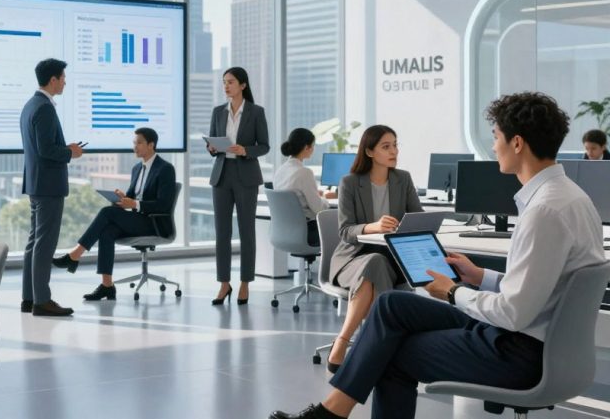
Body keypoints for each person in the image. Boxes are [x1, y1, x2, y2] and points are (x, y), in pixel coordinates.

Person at [271, 92, 606, 419]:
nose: (493, 146)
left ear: (517, 143)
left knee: (391, 352)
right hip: (532, 339)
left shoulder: (543, 211)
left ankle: (329, 415)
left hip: (517, 351)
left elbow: (513, 312)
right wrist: (480, 277)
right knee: (392, 305)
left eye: (496, 137)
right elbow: (541, 286)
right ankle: (331, 412)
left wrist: (453, 291)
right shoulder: (571, 197)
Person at [325, 125, 422, 373]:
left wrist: (404, 226)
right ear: (369, 151)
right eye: (386, 146)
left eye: (395, 145)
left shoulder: (404, 179)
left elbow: (417, 219)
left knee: (378, 263)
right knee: (373, 263)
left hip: (394, 260)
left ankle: (348, 341)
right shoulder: (349, 182)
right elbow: (345, 231)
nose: (394, 151)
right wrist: (372, 227)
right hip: (352, 260)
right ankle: (371, 343)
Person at [52, 128, 177, 300]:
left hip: (154, 224)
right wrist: (123, 199)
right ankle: (107, 286)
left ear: (151, 145)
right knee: (107, 231)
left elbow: (164, 204)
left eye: (139, 143)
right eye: (134, 143)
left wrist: (134, 204)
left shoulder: (165, 169)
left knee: (106, 213)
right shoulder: (137, 169)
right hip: (138, 220)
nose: (135, 146)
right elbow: (133, 197)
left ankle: (75, 255)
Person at [19, 58, 84, 317]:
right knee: (44, 245)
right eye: (63, 77)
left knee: (34, 243)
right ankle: (42, 301)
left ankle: (29, 297)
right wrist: (71, 152)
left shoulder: (30, 106)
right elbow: (46, 150)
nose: (65, 82)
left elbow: (38, 147)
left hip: (36, 183)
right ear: (53, 79)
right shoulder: (44, 108)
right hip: (48, 185)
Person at [206, 67, 270, 306]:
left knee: (246, 232)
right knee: (222, 234)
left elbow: (264, 146)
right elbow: (213, 142)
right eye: (224, 82)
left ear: (243, 85)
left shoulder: (256, 112)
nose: (226, 86)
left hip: (246, 176)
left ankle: (245, 283)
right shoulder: (218, 112)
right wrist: (212, 147)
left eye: (230, 82)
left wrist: (245, 150)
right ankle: (224, 283)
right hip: (221, 175)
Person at [273, 127, 335, 247]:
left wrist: (316, 194)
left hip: (284, 231)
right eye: (313, 145)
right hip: (308, 231)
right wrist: (325, 199)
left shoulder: (281, 170)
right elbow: (319, 209)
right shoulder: (304, 172)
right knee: (345, 226)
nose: (313, 149)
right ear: (307, 147)